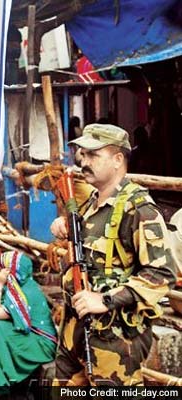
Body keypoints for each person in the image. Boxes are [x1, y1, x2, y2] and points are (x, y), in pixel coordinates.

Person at [50, 123, 176, 385]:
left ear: (118, 159)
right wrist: (64, 227)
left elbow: (161, 274)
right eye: (83, 154)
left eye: (93, 154)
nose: (84, 161)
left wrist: (105, 300)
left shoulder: (138, 209)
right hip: (75, 332)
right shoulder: (89, 203)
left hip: (114, 339)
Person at [0, 250, 57, 386]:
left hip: (42, 345)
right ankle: (1, 377)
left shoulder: (24, 294)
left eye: (4, 268)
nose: (0, 272)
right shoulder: (24, 284)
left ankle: (0, 382)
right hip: (36, 338)